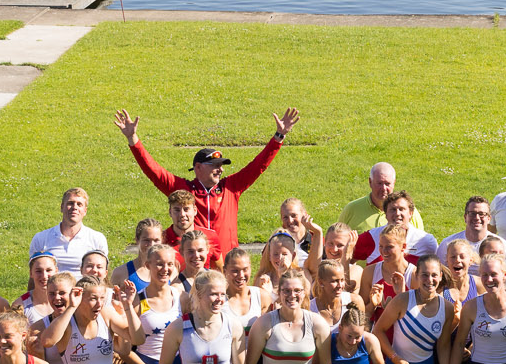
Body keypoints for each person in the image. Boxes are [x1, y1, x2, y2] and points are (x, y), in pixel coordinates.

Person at [116, 107, 301, 261]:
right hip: (193, 263)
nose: (220, 169)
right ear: (197, 168)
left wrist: (279, 136)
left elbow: (257, 166)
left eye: (221, 166)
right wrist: (133, 140)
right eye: (214, 165)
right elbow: (153, 170)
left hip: (228, 264)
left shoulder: (231, 187)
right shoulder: (183, 190)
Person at [29, 187, 108, 279]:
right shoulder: (41, 238)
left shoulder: (97, 239)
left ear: (85, 211)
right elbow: (34, 277)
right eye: (70, 203)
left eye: (79, 204)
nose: (74, 207)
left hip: (84, 292)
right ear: (62, 207)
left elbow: (102, 276)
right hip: (53, 292)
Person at [341, 162, 400, 232]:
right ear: (370, 182)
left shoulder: (406, 211)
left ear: (394, 183)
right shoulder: (352, 209)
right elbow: (336, 238)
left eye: (387, 184)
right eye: (379, 183)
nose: (383, 188)